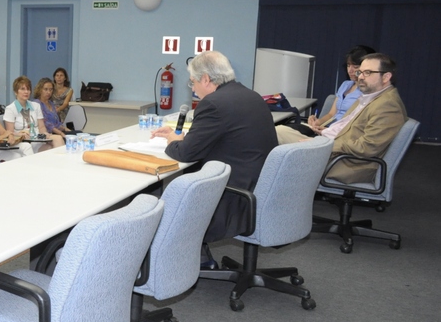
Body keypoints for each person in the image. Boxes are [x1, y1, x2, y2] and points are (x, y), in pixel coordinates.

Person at [151, 50, 278, 249]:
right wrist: (185, 138)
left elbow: (185, 153)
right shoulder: (251, 96)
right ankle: (200, 255)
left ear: (206, 79)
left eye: (192, 82)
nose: (192, 88)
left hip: (234, 196)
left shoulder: (213, 103)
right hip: (260, 187)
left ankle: (191, 257)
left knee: (168, 201)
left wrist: (173, 141)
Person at [275, 53, 406, 184]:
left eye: (367, 72)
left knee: (276, 137)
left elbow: (366, 147)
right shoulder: (372, 97)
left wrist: (323, 144)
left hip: (346, 163)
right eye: (360, 72)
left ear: (386, 77)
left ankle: (269, 193)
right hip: (336, 150)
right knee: (278, 132)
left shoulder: (387, 105)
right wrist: (326, 131)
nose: (360, 77)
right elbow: (350, 126)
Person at [2, 76, 64, 151]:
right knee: (51, 151)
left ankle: (63, 162)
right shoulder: (10, 109)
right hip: (23, 142)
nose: (26, 92)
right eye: (22, 89)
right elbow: (10, 132)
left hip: (37, 140)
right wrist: (21, 134)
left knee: (58, 138)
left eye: (28, 89)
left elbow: (41, 127)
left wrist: (45, 133)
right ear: (16, 92)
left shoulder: (36, 106)